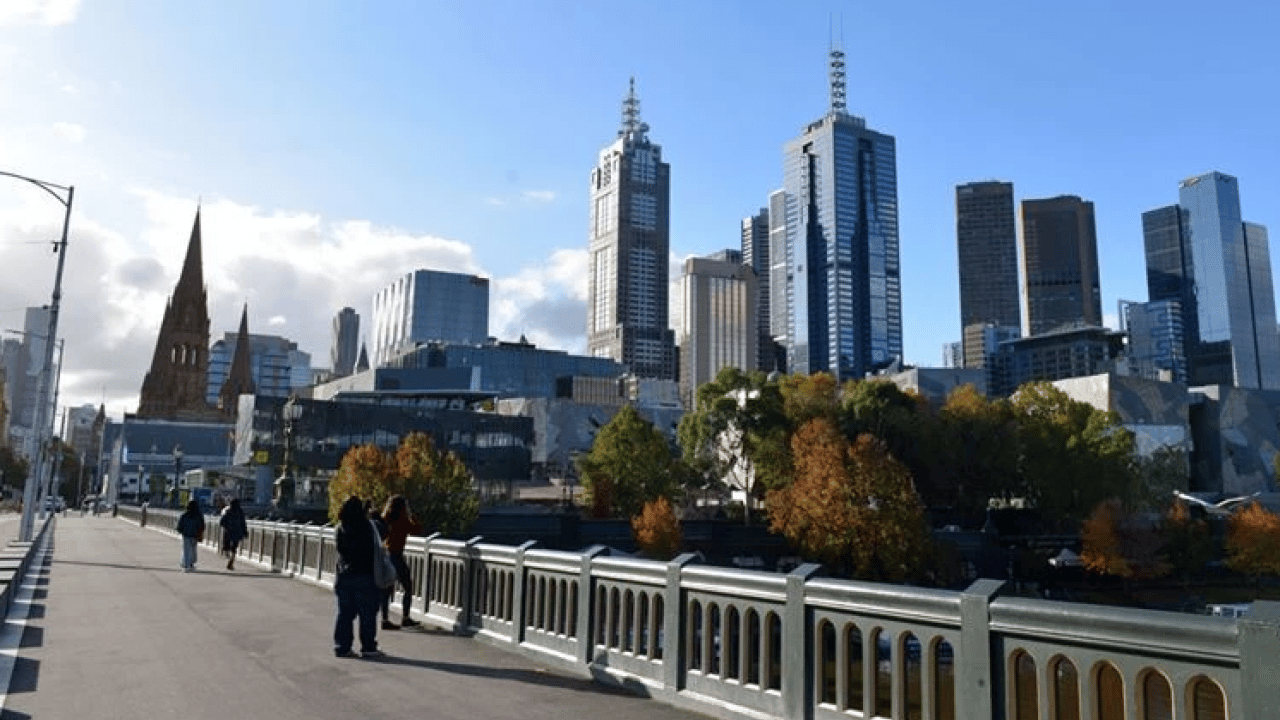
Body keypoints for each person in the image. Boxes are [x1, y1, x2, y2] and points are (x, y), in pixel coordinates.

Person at [333, 496, 384, 659]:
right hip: (365, 574)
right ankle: (368, 647)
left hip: (344, 574)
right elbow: (383, 532)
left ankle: (342, 646)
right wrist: (372, 513)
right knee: (367, 613)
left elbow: (341, 550)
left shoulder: (341, 528)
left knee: (345, 613)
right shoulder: (368, 527)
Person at [380, 495, 423, 629]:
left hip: (386, 555)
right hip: (396, 556)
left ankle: (384, 619)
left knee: (387, 590)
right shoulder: (403, 520)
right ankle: (405, 617)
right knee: (407, 586)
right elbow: (417, 529)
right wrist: (411, 515)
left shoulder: (385, 519)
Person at [175, 499, 205, 572]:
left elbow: (179, 526)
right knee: (193, 550)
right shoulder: (199, 515)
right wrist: (200, 533)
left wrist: (181, 531)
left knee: (186, 550)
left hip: (186, 535)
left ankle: (186, 565)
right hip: (195, 535)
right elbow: (202, 525)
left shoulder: (185, 515)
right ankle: (191, 563)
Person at [219, 498, 249, 570]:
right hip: (237, 532)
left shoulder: (227, 510)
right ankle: (231, 560)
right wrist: (245, 531)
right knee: (234, 547)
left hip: (228, 531)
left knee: (227, 546)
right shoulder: (240, 511)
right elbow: (243, 522)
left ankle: (228, 556)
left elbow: (222, 522)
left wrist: (226, 526)